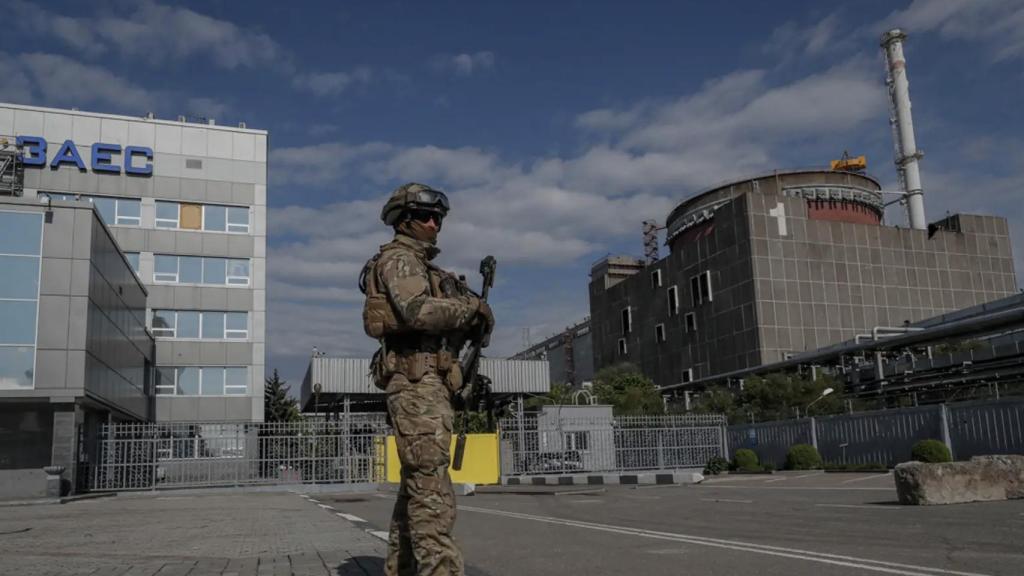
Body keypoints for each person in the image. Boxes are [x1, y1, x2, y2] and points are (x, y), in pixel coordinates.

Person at [360, 182, 494, 575]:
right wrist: (471, 309)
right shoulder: (399, 260)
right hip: (416, 386)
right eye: (424, 216)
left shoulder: (424, 266)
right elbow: (417, 311)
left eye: (438, 217)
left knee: (418, 488)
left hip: (428, 386)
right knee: (432, 493)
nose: (434, 223)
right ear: (403, 221)